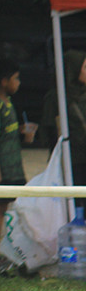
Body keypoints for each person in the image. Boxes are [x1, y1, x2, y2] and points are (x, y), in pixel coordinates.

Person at [0, 59, 35, 268]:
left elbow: (7, 131)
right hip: (3, 167)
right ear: (4, 81)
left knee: (18, 204)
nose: (19, 83)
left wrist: (23, 132)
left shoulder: (9, 103)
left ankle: (16, 249)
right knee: (0, 206)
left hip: (15, 165)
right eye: (16, 79)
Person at [41, 50, 86, 208]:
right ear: (72, 70)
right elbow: (49, 131)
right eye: (85, 67)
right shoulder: (56, 97)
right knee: (70, 204)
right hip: (69, 161)